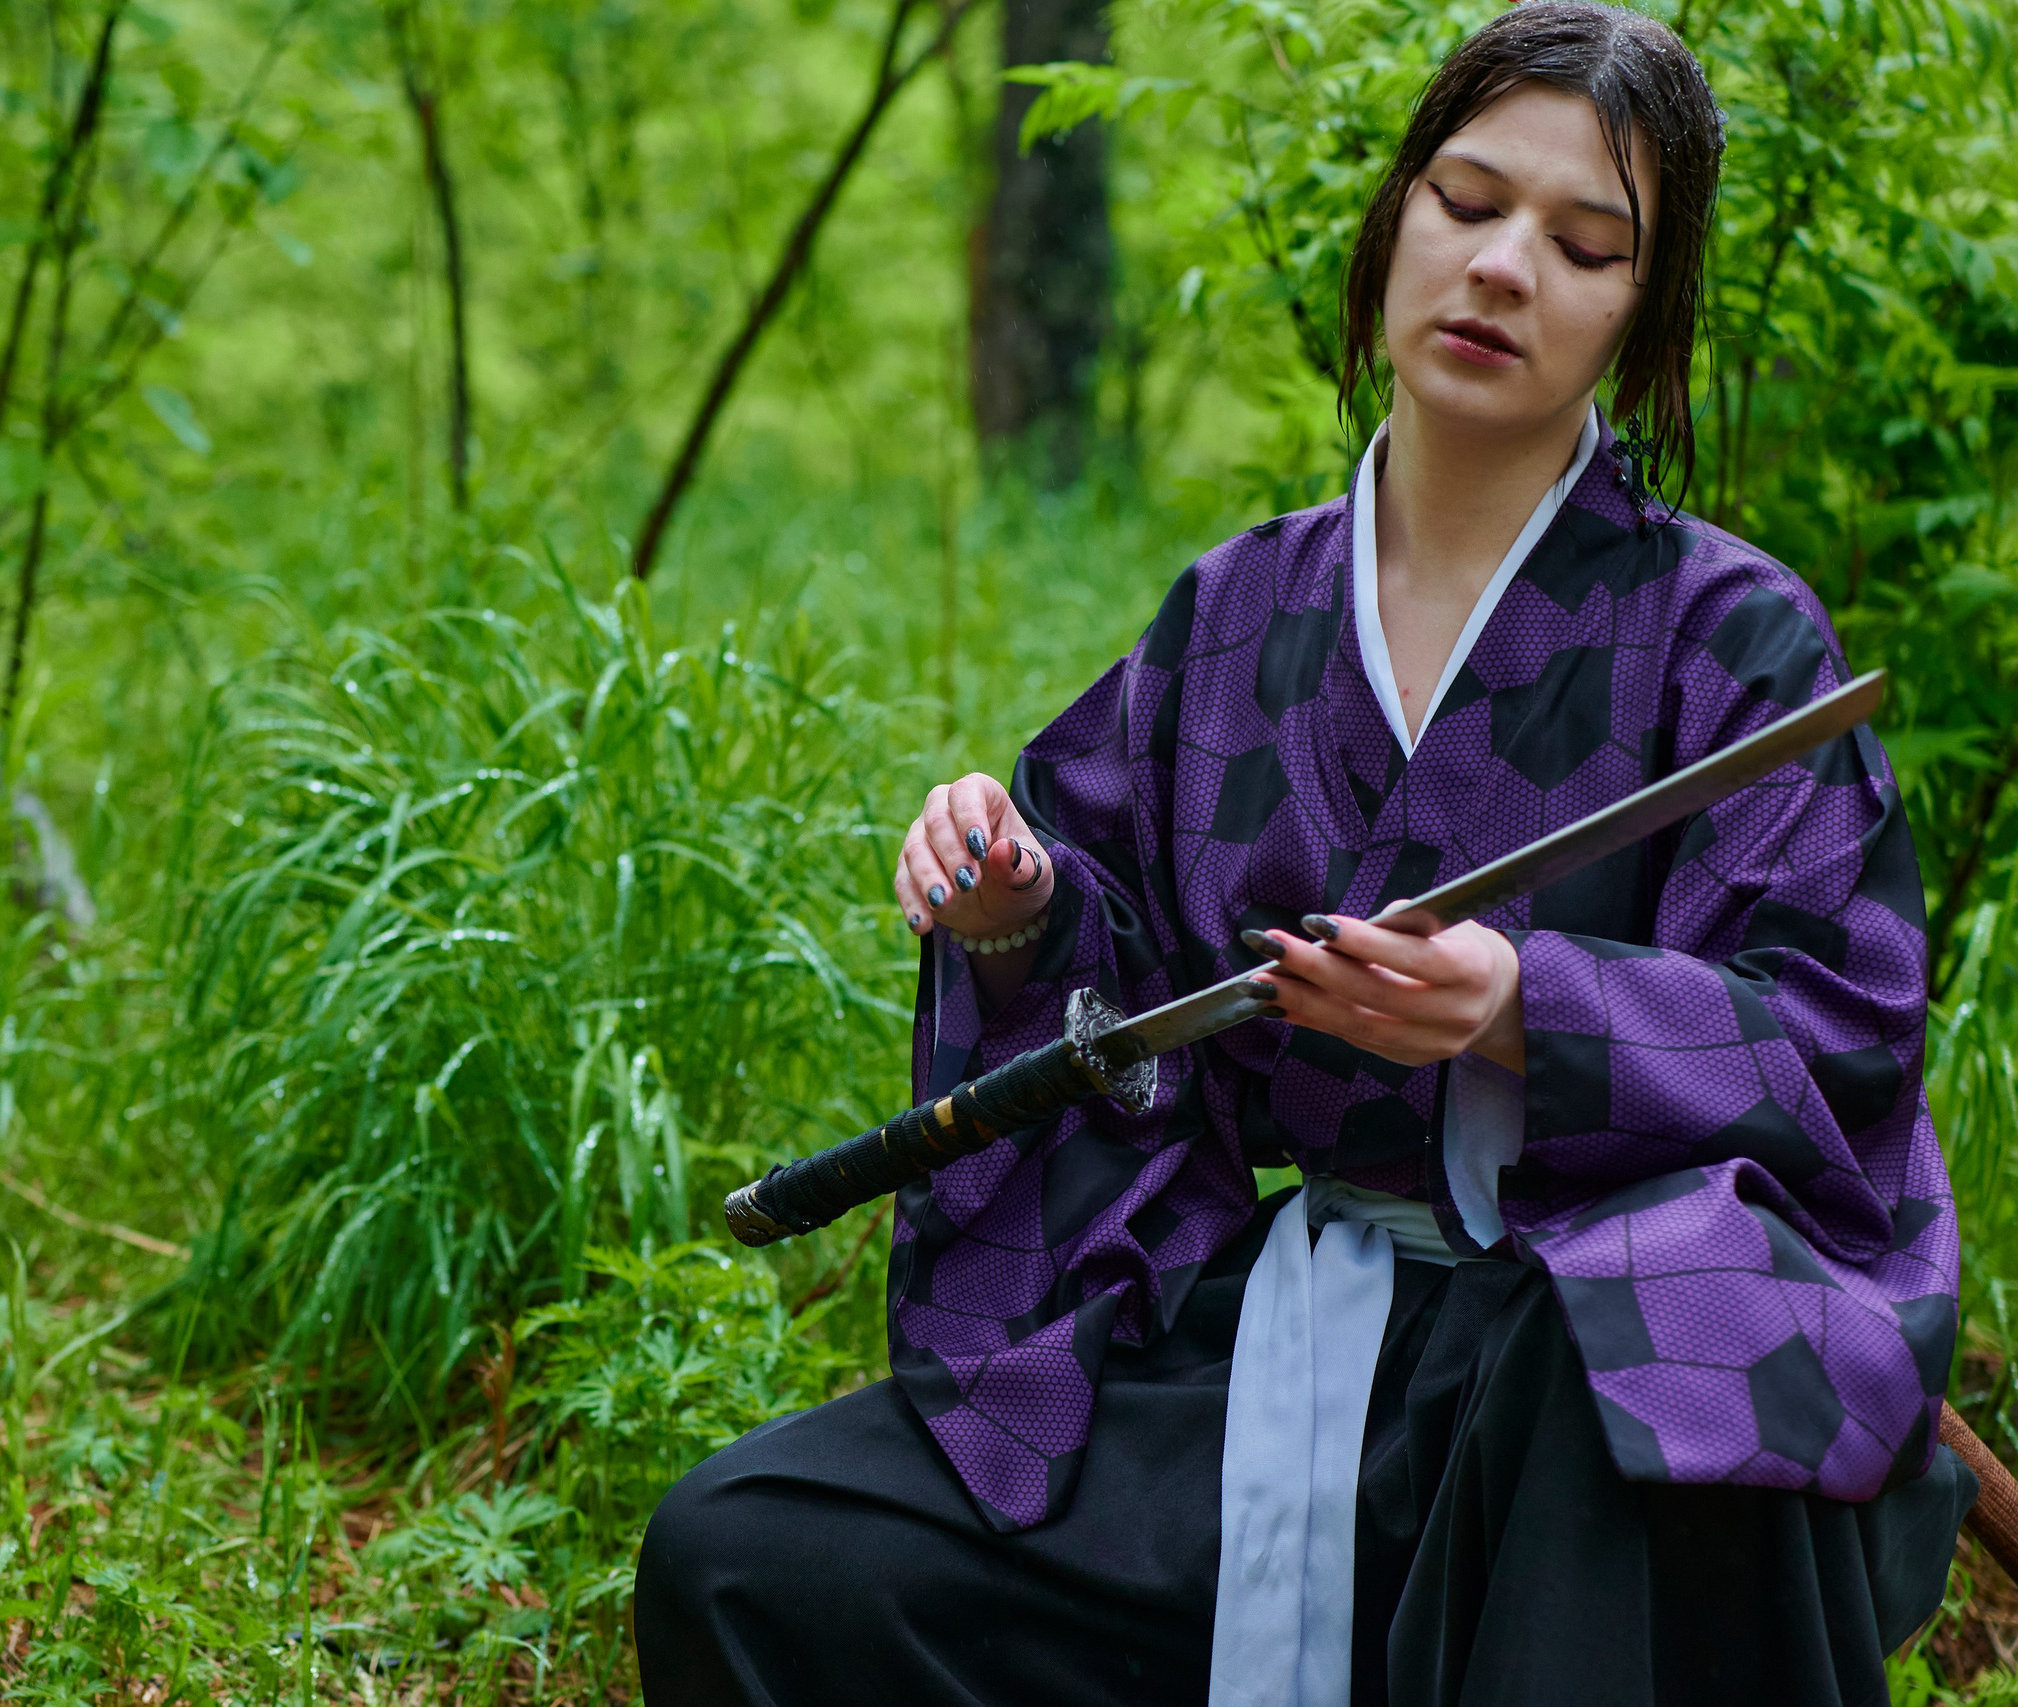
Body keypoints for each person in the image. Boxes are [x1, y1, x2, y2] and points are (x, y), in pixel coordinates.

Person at [631, 5, 1977, 1705]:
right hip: (1292, 1332)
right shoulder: (1238, 614)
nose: (1504, 269)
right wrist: (1022, 916)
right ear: (1394, 219)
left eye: (1583, 245)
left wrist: (1521, 1007)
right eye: (1466, 204)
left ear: (1644, 311)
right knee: (752, 1553)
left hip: (1586, 1389)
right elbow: (1115, 972)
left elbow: (1839, 1033)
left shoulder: (1735, 639)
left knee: (1638, 1352)